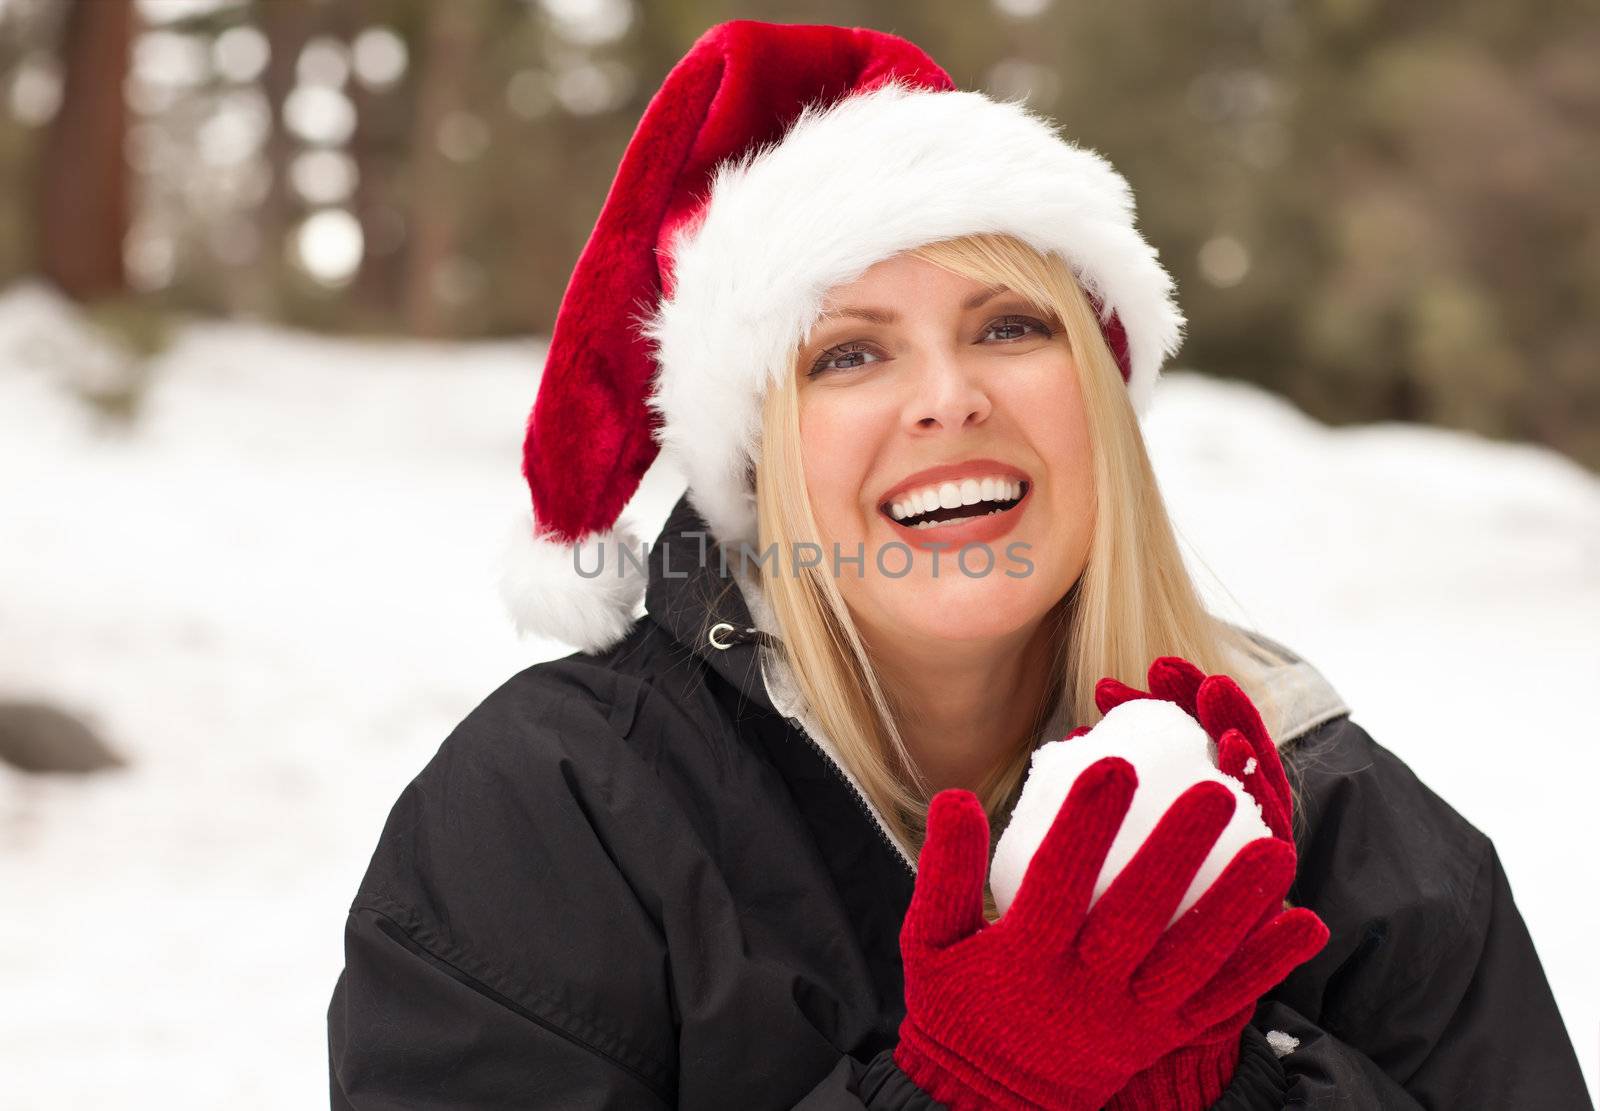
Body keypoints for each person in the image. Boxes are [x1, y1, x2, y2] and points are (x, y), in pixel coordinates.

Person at [325, 20, 1591, 1110]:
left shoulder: (1330, 814)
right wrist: (966, 1091)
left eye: (1008, 325)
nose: (949, 398)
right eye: (850, 354)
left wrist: (1233, 1080)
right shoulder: (554, 815)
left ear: (1096, 396)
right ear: (763, 462)